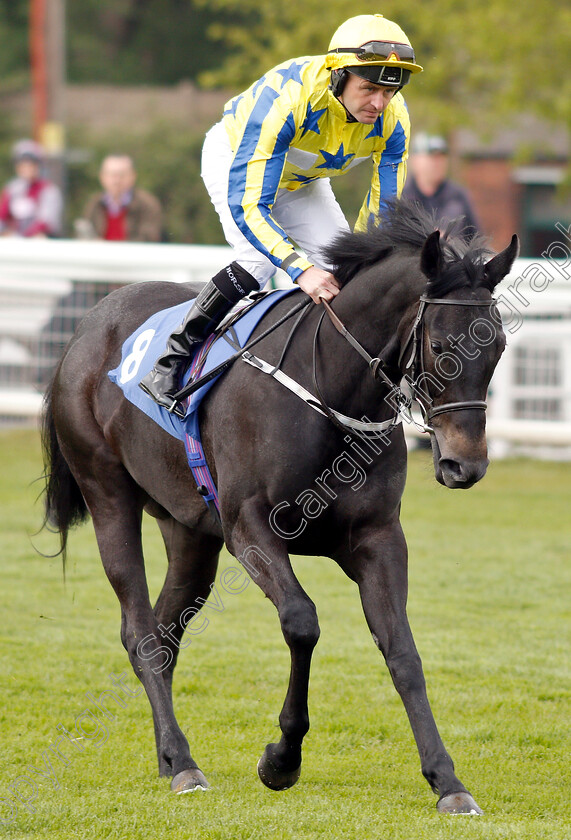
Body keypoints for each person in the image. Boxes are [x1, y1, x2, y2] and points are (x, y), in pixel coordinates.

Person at [140, 13, 423, 416]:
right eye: (369, 88)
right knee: (258, 261)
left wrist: (361, 265)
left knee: (346, 271)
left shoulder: (394, 120)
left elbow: (383, 215)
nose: (379, 103)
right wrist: (300, 270)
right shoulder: (288, 101)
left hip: (303, 180)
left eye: (389, 91)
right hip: (236, 162)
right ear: (339, 77)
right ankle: (171, 362)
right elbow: (250, 206)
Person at [402, 132, 480, 240]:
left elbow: (476, 239)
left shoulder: (458, 196)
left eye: (441, 157)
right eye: (432, 157)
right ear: (415, 160)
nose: (437, 163)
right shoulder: (401, 197)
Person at [78, 154, 163, 242]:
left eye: (121, 175)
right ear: (102, 177)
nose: (116, 180)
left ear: (133, 176)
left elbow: (149, 237)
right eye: (112, 175)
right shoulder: (95, 203)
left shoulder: (147, 204)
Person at [0, 139, 63, 238]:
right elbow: (2, 216)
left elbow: (46, 222)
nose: (26, 168)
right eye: (22, 164)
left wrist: (23, 237)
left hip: (37, 242)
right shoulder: (12, 189)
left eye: (31, 164)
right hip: (13, 240)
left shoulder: (49, 191)